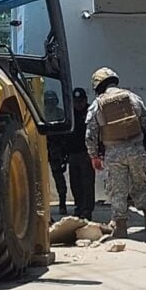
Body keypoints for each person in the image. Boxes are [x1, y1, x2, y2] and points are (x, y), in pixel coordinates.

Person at [85, 67, 146, 238]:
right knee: (142, 185)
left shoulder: (98, 104)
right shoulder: (132, 98)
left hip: (113, 153)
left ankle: (121, 229)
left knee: (118, 190)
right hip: (136, 149)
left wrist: (93, 155)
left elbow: (91, 134)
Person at [65, 87, 96, 219]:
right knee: (75, 183)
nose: (78, 104)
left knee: (87, 183)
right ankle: (79, 206)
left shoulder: (90, 113)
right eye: (76, 102)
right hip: (73, 154)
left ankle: (87, 209)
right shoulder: (69, 114)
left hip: (86, 153)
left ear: (85, 101)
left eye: (81, 101)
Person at [44, 90, 68, 215]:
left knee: (59, 178)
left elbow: (64, 134)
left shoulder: (60, 113)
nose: (50, 104)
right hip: (43, 146)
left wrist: (64, 154)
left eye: (52, 101)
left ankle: (62, 203)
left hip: (56, 148)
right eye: (48, 102)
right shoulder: (41, 112)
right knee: (40, 178)